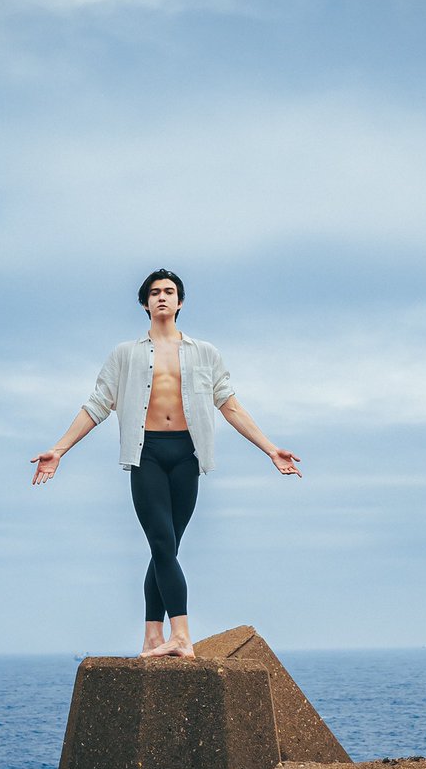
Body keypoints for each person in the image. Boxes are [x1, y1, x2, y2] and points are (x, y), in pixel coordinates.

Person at [31, 269, 301, 658]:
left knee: (166, 549)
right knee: (161, 542)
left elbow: (230, 404)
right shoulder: (125, 353)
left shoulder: (205, 352)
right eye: (154, 292)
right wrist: (60, 449)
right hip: (148, 454)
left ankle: (152, 637)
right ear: (145, 303)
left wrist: (270, 449)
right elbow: (96, 405)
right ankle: (181, 635)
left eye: (169, 292)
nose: (161, 297)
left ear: (180, 302)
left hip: (187, 456)